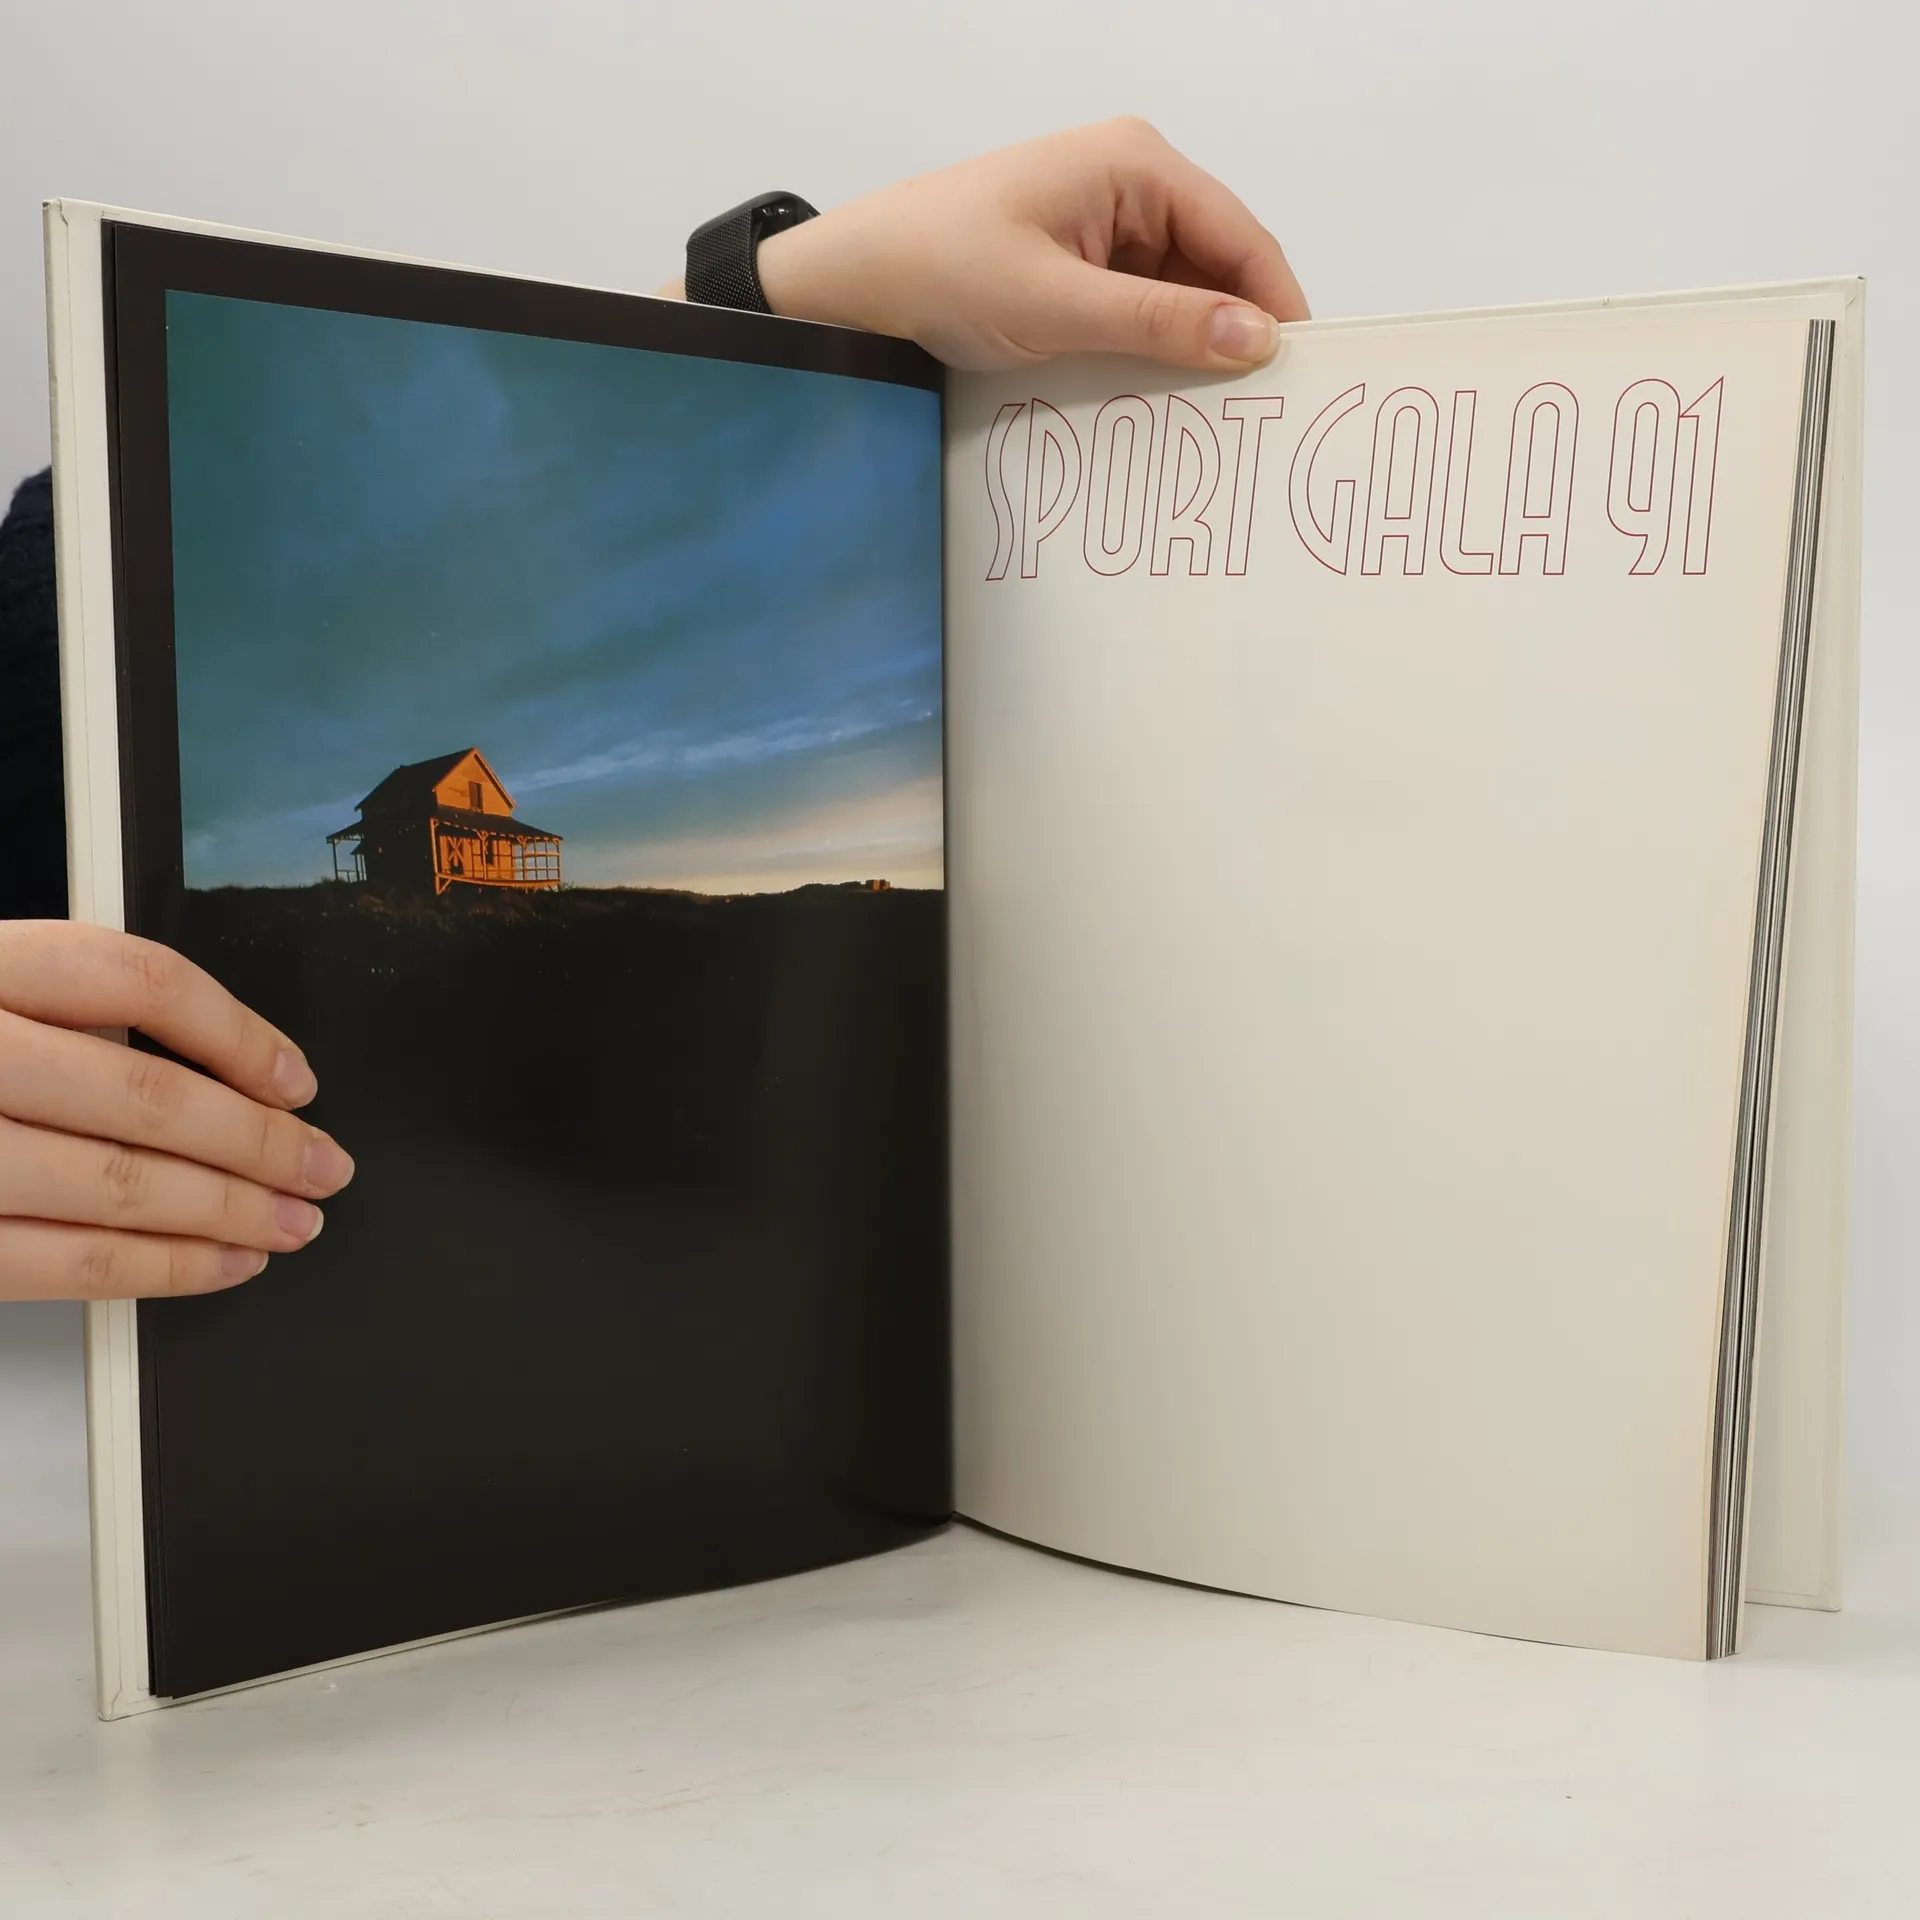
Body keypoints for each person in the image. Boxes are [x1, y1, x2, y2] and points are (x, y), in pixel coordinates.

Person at [0, 118, 1308, 1303]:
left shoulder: (92, 588)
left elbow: (74, 638)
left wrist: (762, 302)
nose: (477, 831)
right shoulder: (406, 809)